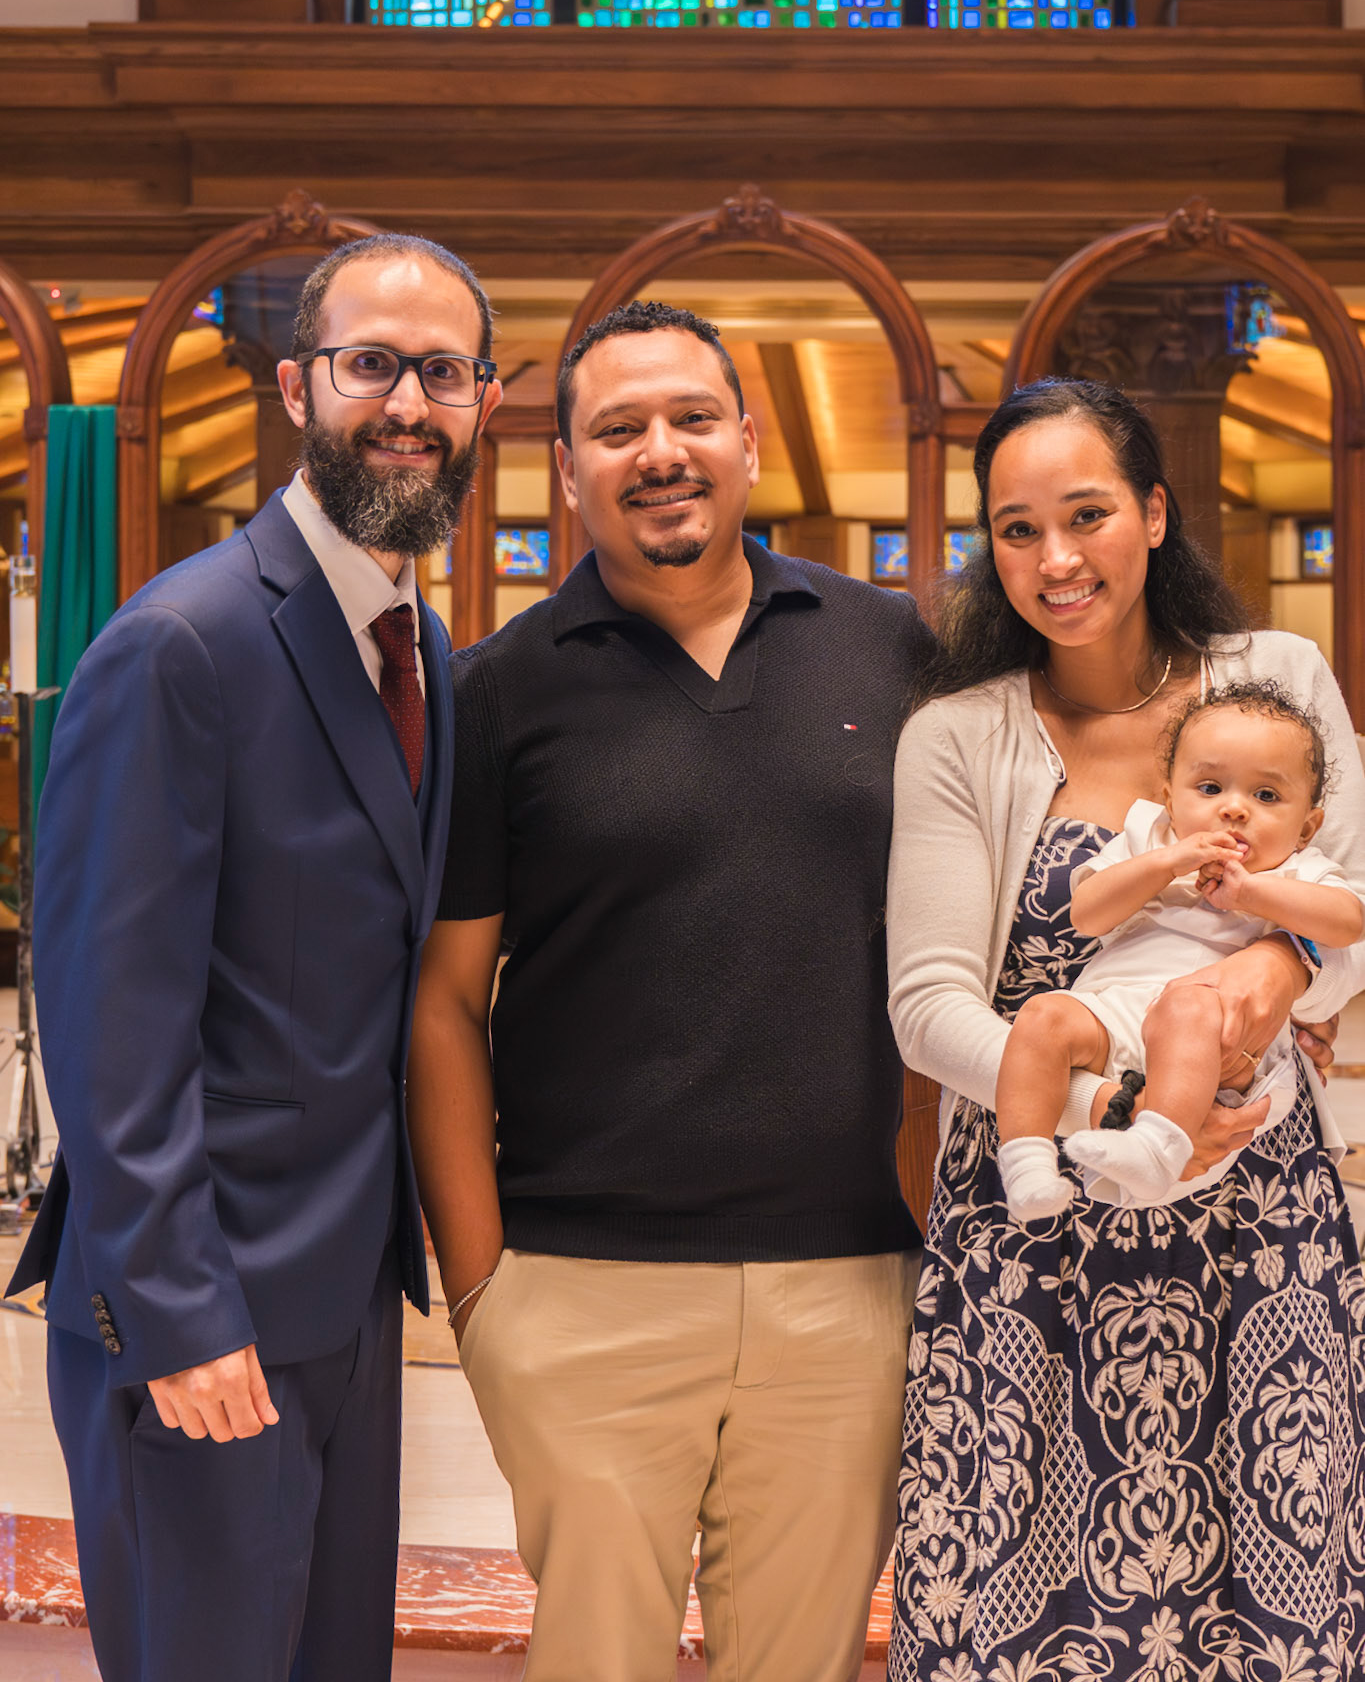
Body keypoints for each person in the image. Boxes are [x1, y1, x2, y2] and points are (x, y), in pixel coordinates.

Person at [409, 299, 931, 1682]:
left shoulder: (891, 650)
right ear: (566, 466)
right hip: (581, 1290)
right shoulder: (496, 691)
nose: (660, 451)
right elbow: (445, 1001)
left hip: (846, 1283)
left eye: (692, 417)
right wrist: (482, 1292)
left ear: (747, 442)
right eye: (617, 427)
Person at [6, 232, 502, 1682]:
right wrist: (181, 1317)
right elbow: (108, 1017)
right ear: (297, 387)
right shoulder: (184, 642)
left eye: (443, 372)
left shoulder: (421, 647)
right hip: (205, 1304)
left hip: (343, 1292)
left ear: (484, 401)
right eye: (371, 364)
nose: (407, 403)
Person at [884, 377, 1365, 1682]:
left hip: (1253, 1222)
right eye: (1018, 527)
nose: (1056, 557)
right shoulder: (956, 735)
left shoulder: (1276, 679)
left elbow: (1352, 910)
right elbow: (928, 1007)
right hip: (1032, 1226)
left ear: (1153, 513)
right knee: (1019, 1613)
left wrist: (1271, 970)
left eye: (1087, 513)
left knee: (1259, 1611)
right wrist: (1109, 1106)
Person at [999, 680, 1363, 1217]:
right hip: (1115, 1012)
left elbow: (1349, 922)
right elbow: (1086, 914)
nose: (1233, 809)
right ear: (1169, 799)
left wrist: (1252, 894)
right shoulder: (1150, 842)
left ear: (1307, 827)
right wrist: (1164, 864)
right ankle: (1027, 1166)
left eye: (1266, 796)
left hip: (1217, 1037)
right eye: (1210, 788)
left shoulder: (1297, 868)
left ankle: (1156, 1147)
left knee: (1187, 1004)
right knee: (1042, 1017)